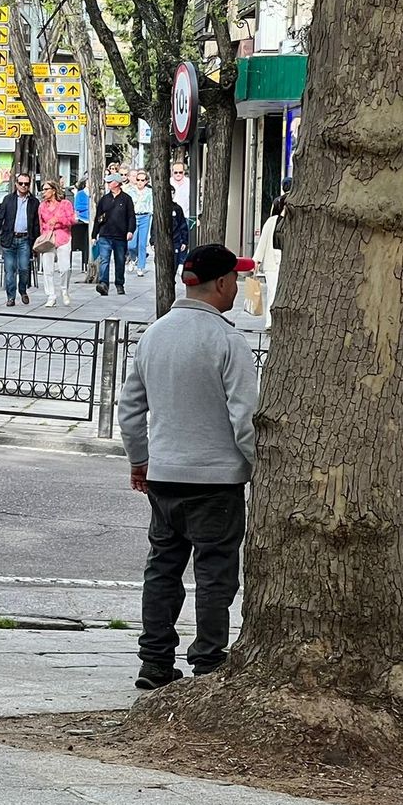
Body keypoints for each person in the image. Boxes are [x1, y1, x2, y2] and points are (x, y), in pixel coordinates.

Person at [117, 243, 259, 689]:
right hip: (216, 479)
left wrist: (139, 459)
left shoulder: (154, 334)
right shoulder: (227, 340)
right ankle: (208, 661)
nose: (237, 286)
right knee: (215, 573)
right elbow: (245, 416)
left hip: (163, 475)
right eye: (235, 279)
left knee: (162, 568)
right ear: (220, 284)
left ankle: (155, 660)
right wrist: (258, 466)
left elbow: (130, 407)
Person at [0, 172, 39, 306]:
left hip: (25, 239)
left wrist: (36, 243)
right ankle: (11, 297)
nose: (23, 186)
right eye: (21, 183)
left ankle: (23, 290)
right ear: (16, 184)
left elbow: (36, 224)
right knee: (9, 270)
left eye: (26, 184)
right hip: (9, 239)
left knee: (24, 268)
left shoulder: (34, 202)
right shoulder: (8, 199)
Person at [92, 174, 135, 296]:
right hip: (105, 234)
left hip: (120, 236)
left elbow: (131, 216)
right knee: (104, 260)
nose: (108, 184)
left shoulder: (127, 199)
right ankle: (103, 283)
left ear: (117, 183)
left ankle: (119, 284)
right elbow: (98, 218)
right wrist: (94, 235)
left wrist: (130, 230)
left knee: (120, 261)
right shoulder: (104, 199)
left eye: (110, 182)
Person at [35, 180, 75, 308]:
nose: (44, 192)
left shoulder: (65, 204)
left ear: (54, 190)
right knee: (47, 268)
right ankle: (51, 295)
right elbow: (41, 224)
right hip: (48, 238)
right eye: (43, 189)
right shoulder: (42, 206)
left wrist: (58, 220)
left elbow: (72, 220)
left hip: (63, 236)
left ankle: (64, 290)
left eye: (47, 189)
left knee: (65, 268)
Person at [251, 195, 284, 328]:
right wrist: (256, 260)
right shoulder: (272, 221)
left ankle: (272, 321)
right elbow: (263, 241)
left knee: (274, 291)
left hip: (278, 261)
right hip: (273, 262)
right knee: (272, 291)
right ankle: (270, 322)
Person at [127, 169, 154, 277]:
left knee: (142, 244)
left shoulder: (149, 192)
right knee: (131, 244)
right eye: (138, 179)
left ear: (146, 181)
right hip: (133, 217)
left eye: (142, 180)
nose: (140, 182)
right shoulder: (130, 191)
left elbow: (152, 205)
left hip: (145, 216)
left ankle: (141, 267)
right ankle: (133, 258)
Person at [71, 177, 92, 270]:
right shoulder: (80, 194)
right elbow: (78, 207)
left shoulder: (94, 194)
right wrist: (89, 207)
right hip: (83, 220)